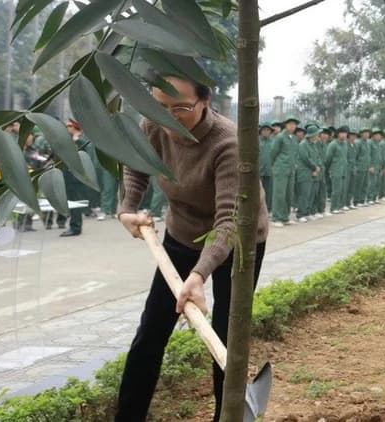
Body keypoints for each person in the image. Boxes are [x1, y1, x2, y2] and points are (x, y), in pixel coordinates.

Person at [113, 75, 270, 422]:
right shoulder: (153, 126)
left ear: (205, 101)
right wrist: (127, 206)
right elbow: (136, 165)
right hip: (182, 235)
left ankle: (226, 417)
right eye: (160, 107)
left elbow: (228, 220)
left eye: (181, 107)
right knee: (150, 333)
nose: (169, 117)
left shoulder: (228, 142)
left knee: (227, 340)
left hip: (239, 241)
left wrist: (199, 274)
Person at [267, 116, 300, 227]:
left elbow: (295, 153)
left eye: (294, 124)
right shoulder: (280, 137)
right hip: (281, 169)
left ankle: (285, 217)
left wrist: (294, 164)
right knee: (279, 194)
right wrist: (274, 166)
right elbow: (273, 153)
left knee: (288, 194)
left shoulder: (294, 138)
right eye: (290, 124)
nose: (292, 126)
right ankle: (276, 218)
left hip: (290, 170)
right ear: (285, 125)